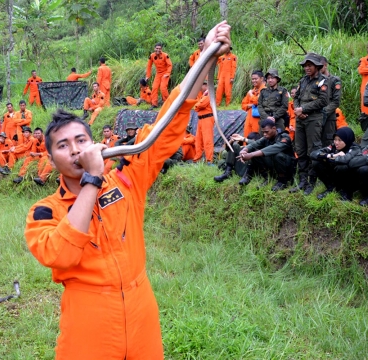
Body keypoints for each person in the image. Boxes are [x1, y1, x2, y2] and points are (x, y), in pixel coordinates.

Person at [24, 21, 231, 359]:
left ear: (95, 143)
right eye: (63, 145)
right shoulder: (44, 211)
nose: (75, 149)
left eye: (81, 140)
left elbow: (166, 124)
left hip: (140, 309)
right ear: (50, 157)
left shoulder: (125, 178)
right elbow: (60, 255)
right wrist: (92, 178)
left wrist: (206, 56)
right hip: (88, 320)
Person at [289, 53, 329, 195]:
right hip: (300, 119)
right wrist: (298, 111)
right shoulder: (303, 80)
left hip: (314, 119)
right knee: (300, 149)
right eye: (305, 65)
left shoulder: (323, 81)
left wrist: (304, 109)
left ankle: (311, 182)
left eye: (309, 65)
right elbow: (296, 98)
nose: (307, 68)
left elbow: (323, 101)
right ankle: (302, 180)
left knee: (312, 150)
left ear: (317, 66)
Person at [237, 120, 296, 191]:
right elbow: (255, 144)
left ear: (274, 128)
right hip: (274, 164)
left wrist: (251, 155)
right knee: (255, 152)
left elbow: (274, 148)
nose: (264, 134)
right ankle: (267, 177)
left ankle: (282, 181)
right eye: (263, 132)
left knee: (277, 155)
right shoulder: (266, 138)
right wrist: (244, 150)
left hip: (288, 166)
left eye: (266, 132)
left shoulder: (284, 137)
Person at [310, 127, 360, 201]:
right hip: (335, 173)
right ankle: (331, 188)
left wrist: (327, 159)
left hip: (351, 178)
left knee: (342, 166)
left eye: (339, 140)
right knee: (316, 163)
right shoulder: (333, 146)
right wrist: (330, 155)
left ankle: (346, 193)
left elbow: (344, 160)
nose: (336, 142)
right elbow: (313, 154)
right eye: (335, 139)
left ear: (347, 140)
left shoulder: (355, 148)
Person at [319, 56, 342, 147]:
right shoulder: (316, 81)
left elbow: (336, 101)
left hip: (329, 116)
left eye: (320, 66)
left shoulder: (334, 80)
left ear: (325, 65)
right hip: (315, 117)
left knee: (328, 142)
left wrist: (324, 112)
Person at [193, 81, 215, 164]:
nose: (199, 87)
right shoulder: (204, 95)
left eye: (200, 85)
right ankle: (197, 159)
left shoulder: (209, 94)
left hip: (207, 119)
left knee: (207, 140)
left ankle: (209, 160)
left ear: (206, 85)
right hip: (201, 120)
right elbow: (196, 107)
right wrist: (198, 103)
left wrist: (198, 104)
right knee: (198, 140)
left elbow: (199, 105)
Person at [146, 43, 173, 108]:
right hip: (158, 74)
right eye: (157, 48)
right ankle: (154, 104)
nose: (158, 50)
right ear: (154, 48)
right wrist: (147, 76)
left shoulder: (165, 55)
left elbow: (170, 65)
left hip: (165, 74)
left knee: (163, 88)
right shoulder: (152, 56)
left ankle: (167, 103)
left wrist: (168, 73)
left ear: (161, 49)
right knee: (154, 87)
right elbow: (149, 66)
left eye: (159, 49)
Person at [241, 71, 265, 137]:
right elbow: (243, 105)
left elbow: (257, 101)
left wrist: (251, 95)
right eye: (252, 79)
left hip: (258, 118)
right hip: (249, 117)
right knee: (246, 136)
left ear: (261, 79)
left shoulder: (264, 90)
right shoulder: (252, 91)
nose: (254, 80)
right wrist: (250, 105)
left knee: (256, 137)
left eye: (256, 79)